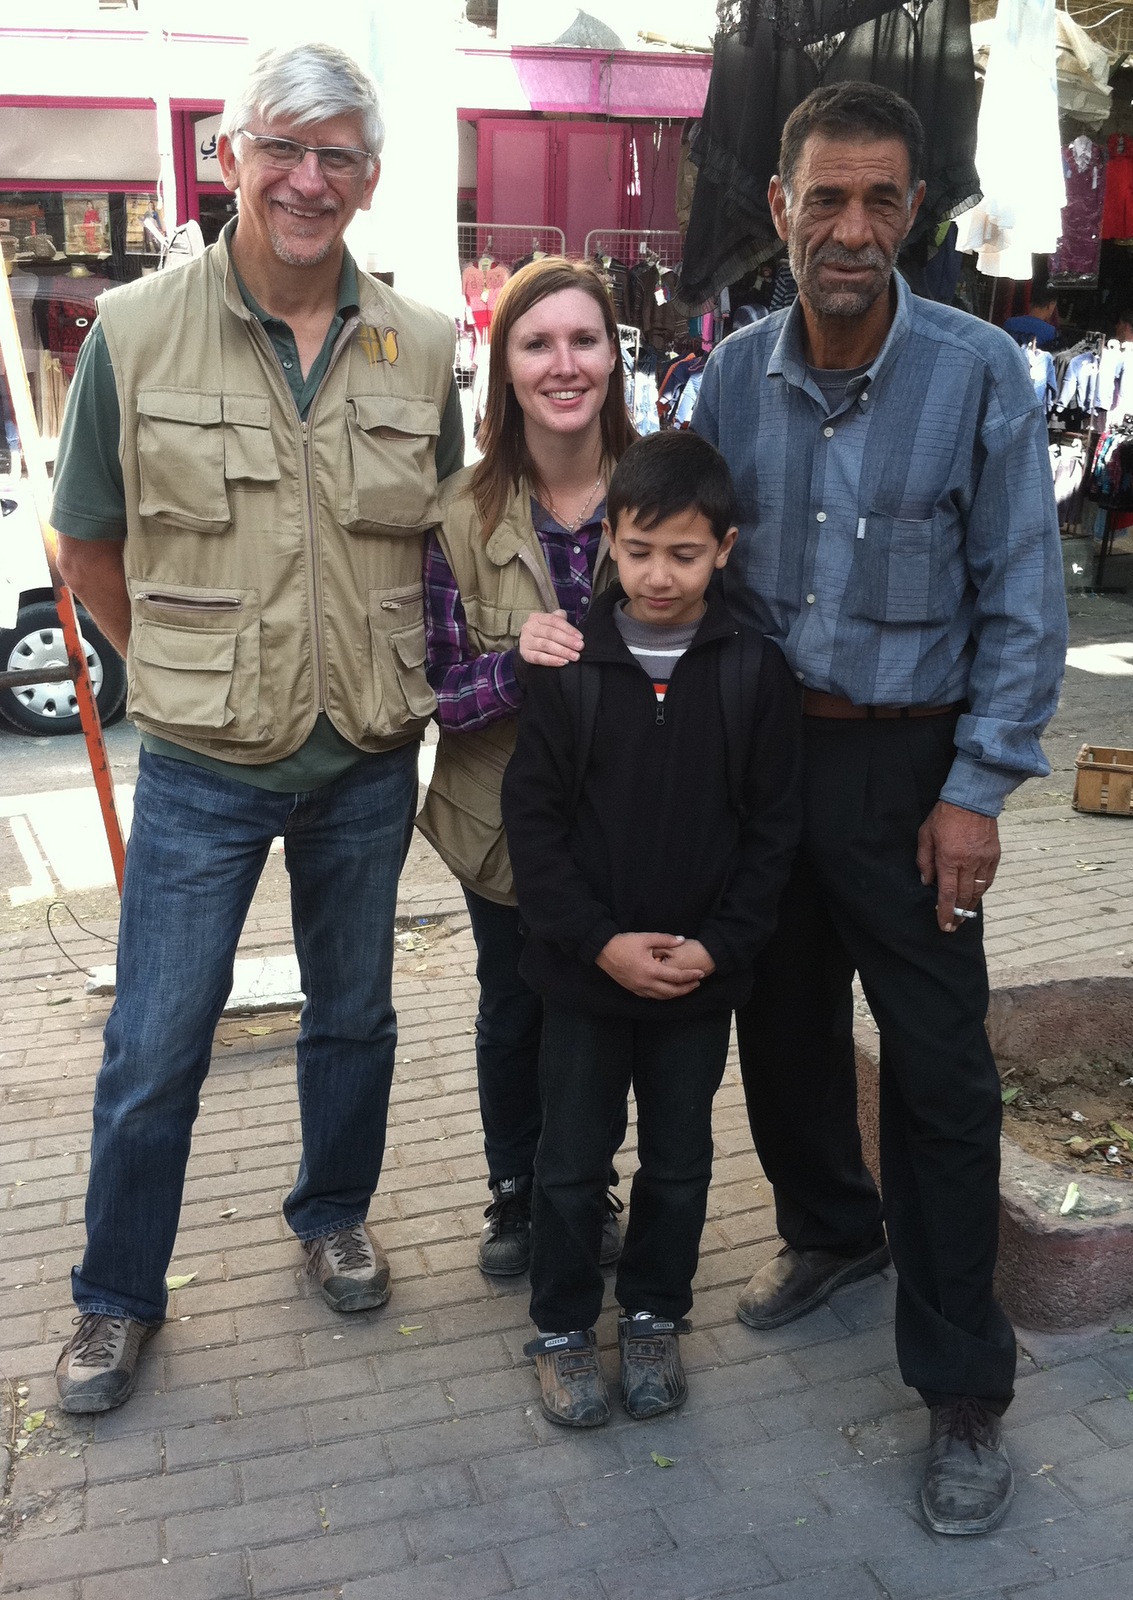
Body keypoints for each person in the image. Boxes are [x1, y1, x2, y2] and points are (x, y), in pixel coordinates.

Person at [49, 42, 463, 1414]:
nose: (306, 178)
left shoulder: (422, 346)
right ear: (228, 157)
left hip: (366, 757)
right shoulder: (134, 330)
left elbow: (445, 544)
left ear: (369, 179)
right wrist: (179, 670)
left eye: (335, 155)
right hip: (202, 768)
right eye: (280, 146)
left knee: (356, 1017)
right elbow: (86, 541)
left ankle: (332, 1213)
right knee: (156, 1042)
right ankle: (117, 1296)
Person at [692, 82, 1066, 1535]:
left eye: (879, 201)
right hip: (766, 766)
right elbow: (690, 578)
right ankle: (831, 1231)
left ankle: (962, 1386)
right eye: (824, 200)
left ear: (914, 214)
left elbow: (1022, 605)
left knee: (938, 1076)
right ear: (778, 209)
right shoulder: (730, 380)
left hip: (912, 779)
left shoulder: (979, 375)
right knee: (777, 1028)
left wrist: (976, 792)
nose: (850, 229)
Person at [500, 431, 802, 1427]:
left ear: (724, 548)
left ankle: (652, 1313)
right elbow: (533, 828)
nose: (658, 575)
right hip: (584, 975)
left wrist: (719, 944)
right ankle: (559, 1326)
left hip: (694, 979)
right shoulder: (568, 665)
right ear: (607, 545)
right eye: (637, 551)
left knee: (678, 1159)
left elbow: (772, 830)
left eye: (683, 553)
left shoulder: (753, 670)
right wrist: (598, 942)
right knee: (569, 1161)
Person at [418, 258, 633, 1275]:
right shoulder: (456, 515)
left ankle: (583, 1184)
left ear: (613, 358)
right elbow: (429, 691)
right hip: (500, 823)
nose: (563, 364)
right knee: (513, 1007)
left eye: (584, 340)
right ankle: (514, 1190)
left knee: (603, 1007)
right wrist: (513, 666)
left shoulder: (661, 492)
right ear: (502, 365)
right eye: (536, 343)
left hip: (629, 819)